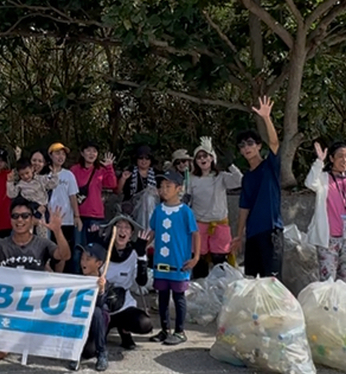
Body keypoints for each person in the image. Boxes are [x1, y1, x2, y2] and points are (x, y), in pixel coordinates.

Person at [0, 197, 72, 359]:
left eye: (25, 216)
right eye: (15, 216)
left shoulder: (42, 243)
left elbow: (64, 254)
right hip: (9, 308)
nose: (20, 220)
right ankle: (17, 335)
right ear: (10, 220)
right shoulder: (1, 244)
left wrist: (58, 232)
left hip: (36, 307)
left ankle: (29, 334)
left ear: (32, 219)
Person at [305, 141, 346, 283]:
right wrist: (319, 162)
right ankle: (329, 305)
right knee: (328, 279)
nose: (345, 160)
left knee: (344, 279)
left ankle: (341, 305)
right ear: (331, 159)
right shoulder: (324, 178)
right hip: (329, 238)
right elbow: (310, 183)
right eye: (340, 156)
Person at [146, 170, 200, 346]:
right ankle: (164, 329)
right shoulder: (158, 211)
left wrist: (195, 257)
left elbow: (196, 234)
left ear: (179, 188)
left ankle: (180, 331)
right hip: (161, 263)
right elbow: (152, 232)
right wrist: (143, 246)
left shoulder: (185, 212)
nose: (164, 190)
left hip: (179, 263)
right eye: (161, 186)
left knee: (178, 296)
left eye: (168, 186)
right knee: (162, 296)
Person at [234, 96, 283, 278]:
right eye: (242, 146)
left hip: (271, 231)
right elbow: (243, 208)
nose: (246, 148)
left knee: (271, 280)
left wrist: (266, 118)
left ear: (258, 146)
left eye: (250, 144)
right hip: (253, 234)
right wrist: (239, 236)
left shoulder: (270, 166)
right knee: (252, 280)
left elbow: (275, 144)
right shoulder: (246, 177)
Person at [187, 136, 243, 278]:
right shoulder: (191, 179)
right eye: (198, 157)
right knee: (199, 259)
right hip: (199, 224)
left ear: (212, 158)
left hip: (220, 224)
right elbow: (185, 198)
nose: (202, 159)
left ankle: (220, 289)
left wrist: (231, 165)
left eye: (205, 155)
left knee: (220, 259)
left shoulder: (222, 177)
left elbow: (240, 181)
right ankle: (200, 290)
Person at [100, 215, 153, 349]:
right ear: (112, 230)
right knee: (90, 350)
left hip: (123, 305)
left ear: (131, 234)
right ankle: (102, 330)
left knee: (144, 324)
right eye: (118, 227)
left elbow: (141, 282)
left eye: (126, 228)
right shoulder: (101, 250)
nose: (122, 231)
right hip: (102, 305)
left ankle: (124, 331)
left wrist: (142, 256)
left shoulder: (135, 253)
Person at [70, 242, 112, 372]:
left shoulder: (104, 283)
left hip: (95, 327)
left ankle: (102, 352)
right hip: (80, 326)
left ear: (98, 264)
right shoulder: (76, 280)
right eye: (82, 258)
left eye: (88, 259)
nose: (83, 262)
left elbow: (102, 305)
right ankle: (73, 352)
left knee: (97, 311)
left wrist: (101, 290)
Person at [70, 142, 117, 246]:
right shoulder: (74, 170)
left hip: (96, 215)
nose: (91, 154)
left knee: (93, 249)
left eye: (94, 151)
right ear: (82, 153)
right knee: (78, 248)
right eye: (88, 150)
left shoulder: (100, 170)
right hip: (79, 214)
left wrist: (109, 167)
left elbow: (112, 184)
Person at [46, 142, 81, 274]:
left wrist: (77, 216)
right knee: (50, 249)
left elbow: (73, 196)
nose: (60, 157)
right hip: (48, 220)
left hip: (66, 220)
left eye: (63, 154)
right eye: (57, 153)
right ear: (50, 155)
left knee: (64, 250)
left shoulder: (69, 175)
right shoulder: (45, 174)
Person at [7, 157, 58, 234]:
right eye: (22, 175)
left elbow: (52, 184)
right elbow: (11, 194)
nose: (26, 176)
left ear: (32, 169)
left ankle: (43, 244)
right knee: (27, 232)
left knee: (42, 232)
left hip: (42, 208)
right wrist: (10, 182)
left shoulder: (40, 179)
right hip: (29, 209)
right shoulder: (20, 184)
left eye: (27, 173)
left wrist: (54, 174)